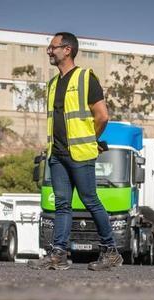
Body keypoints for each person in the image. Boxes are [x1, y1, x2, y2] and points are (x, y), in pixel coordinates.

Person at [29, 32, 123, 271]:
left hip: (80, 153)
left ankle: (110, 251)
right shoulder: (52, 84)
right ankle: (58, 254)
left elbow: (102, 116)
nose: (49, 51)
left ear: (67, 49)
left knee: (90, 200)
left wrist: (91, 140)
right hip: (57, 155)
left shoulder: (85, 78)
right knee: (62, 205)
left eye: (53, 47)